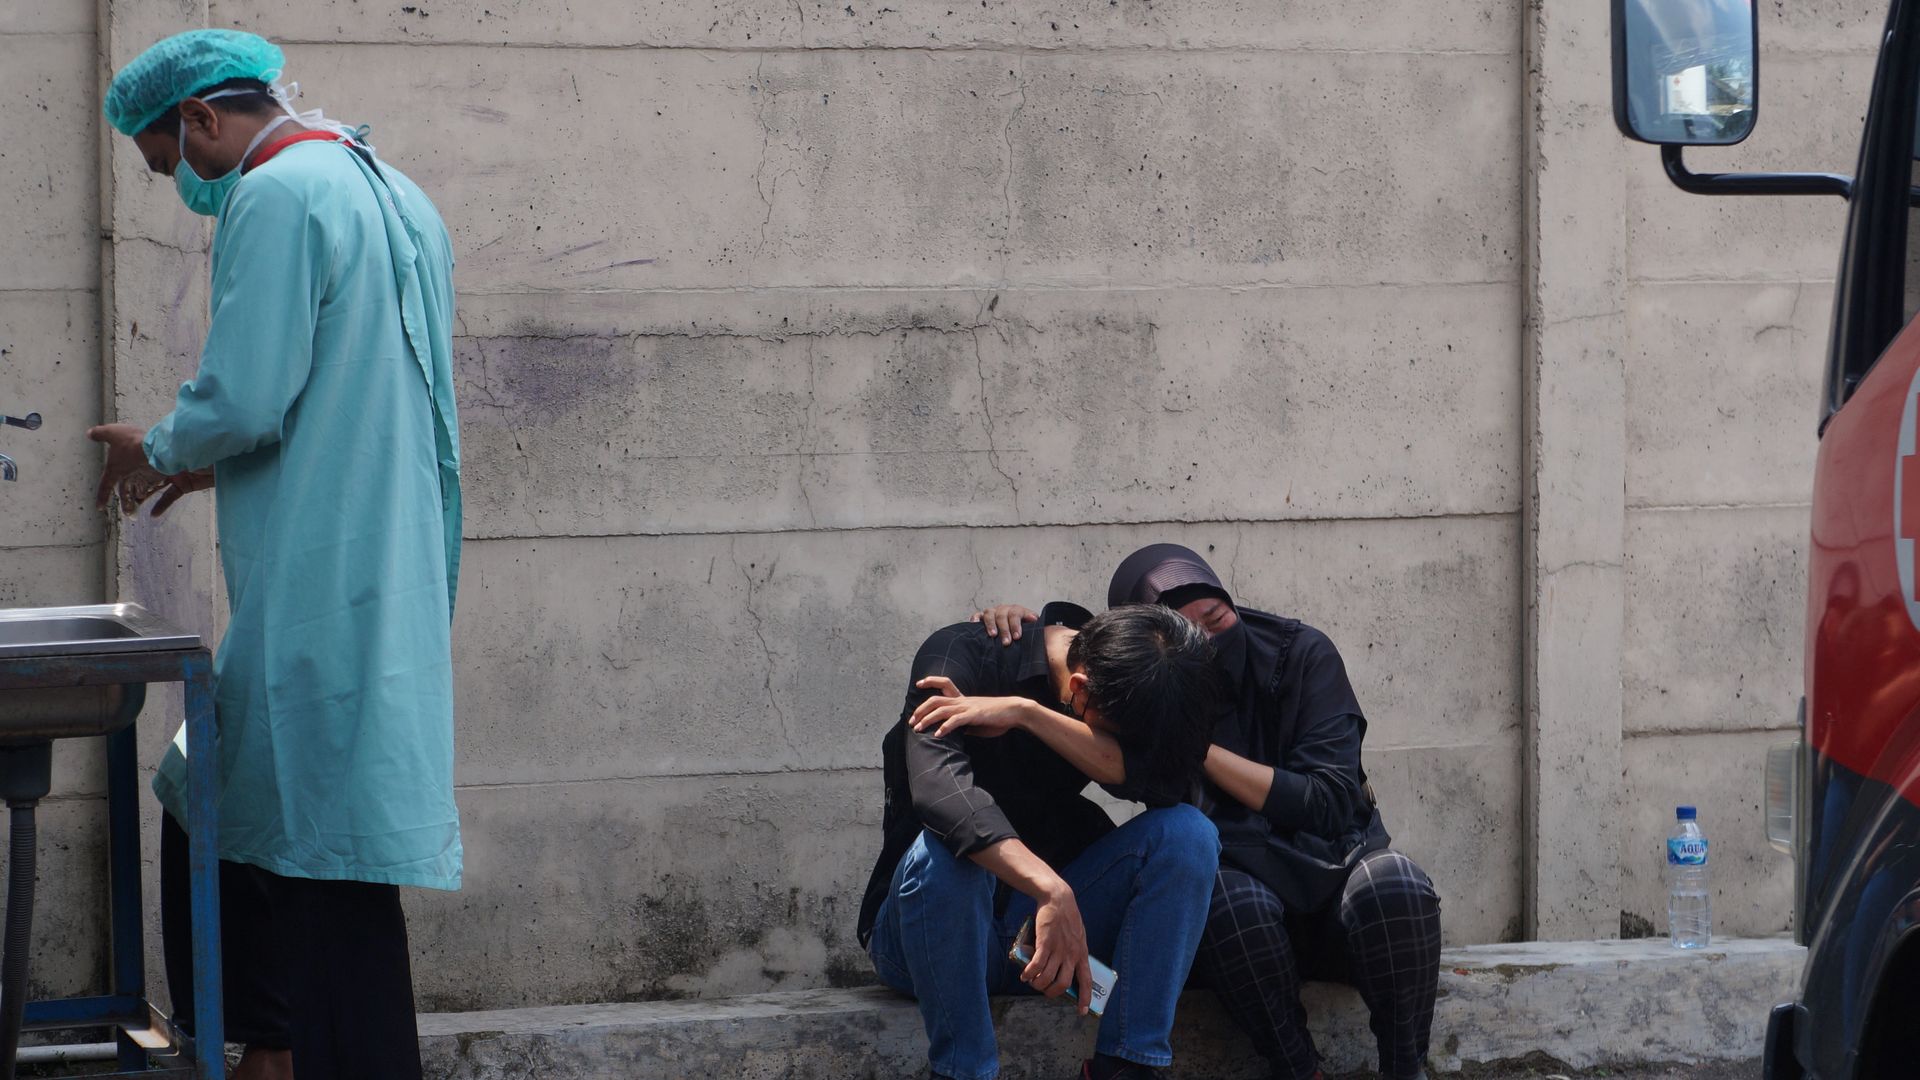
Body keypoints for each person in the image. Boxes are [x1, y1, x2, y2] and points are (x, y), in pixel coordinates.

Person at [90, 29, 463, 1080]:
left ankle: (276, 1048)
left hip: (319, 581)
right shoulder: (393, 191)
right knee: (258, 812)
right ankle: (273, 1041)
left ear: (201, 117)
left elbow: (249, 396)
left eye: (167, 162)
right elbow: (350, 400)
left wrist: (162, 446)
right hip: (385, 565)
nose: (180, 187)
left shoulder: (275, 194)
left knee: (296, 837)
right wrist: (220, 471)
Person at [973, 545, 1443, 1080]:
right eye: (1186, 638)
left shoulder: (1300, 654)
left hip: (1337, 884)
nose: (1210, 641)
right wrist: (1027, 635)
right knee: (1231, 902)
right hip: (1238, 928)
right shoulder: (1144, 690)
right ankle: (1297, 1070)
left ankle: (1407, 1070)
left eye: (1218, 618)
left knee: (1394, 885)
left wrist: (1195, 748)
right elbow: (1087, 696)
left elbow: (1329, 802)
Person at [859, 602, 1225, 1080]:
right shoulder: (958, 654)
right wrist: (1050, 888)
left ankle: (1127, 1067)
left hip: (1036, 942)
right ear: (1080, 689)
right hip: (927, 937)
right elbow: (941, 795)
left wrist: (1026, 714)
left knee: (1188, 833)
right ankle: (963, 1071)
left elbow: (1164, 782)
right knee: (943, 853)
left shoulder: (1120, 675)